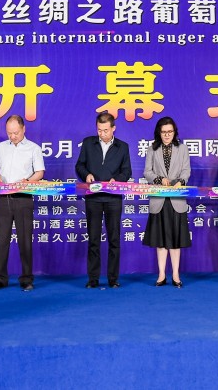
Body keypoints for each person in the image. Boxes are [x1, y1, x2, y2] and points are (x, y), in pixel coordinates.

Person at [76, 112, 132, 288]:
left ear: (113, 128)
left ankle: (113, 279)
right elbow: (79, 165)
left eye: (106, 130)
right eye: (99, 130)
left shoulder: (123, 147)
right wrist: (86, 175)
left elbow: (127, 171)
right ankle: (93, 279)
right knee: (93, 239)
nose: (102, 134)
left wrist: (118, 179)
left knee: (114, 239)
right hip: (93, 198)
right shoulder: (88, 143)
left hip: (113, 198)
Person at [0, 115, 45, 291]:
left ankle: (26, 278)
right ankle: (0, 278)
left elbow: (40, 172)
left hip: (23, 198)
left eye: (16, 133)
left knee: (25, 240)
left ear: (23, 129)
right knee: (2, 240)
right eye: (9, 133)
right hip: (3, 198)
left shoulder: (34, 148)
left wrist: (28, 181)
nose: (12, 136)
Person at [143, 117, 191, 288]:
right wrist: (158, 179)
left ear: (174, 132)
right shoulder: (152, 149)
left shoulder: (182, 148)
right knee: (160, 239)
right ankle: (161, 274)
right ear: (159, 133)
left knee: (176, 240)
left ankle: (176, 274)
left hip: (176, 198)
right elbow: (147, 172)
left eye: (170, 132)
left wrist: (181, 182)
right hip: (159, 199)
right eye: (163, 132)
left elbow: (186, 170)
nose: (167, 135)